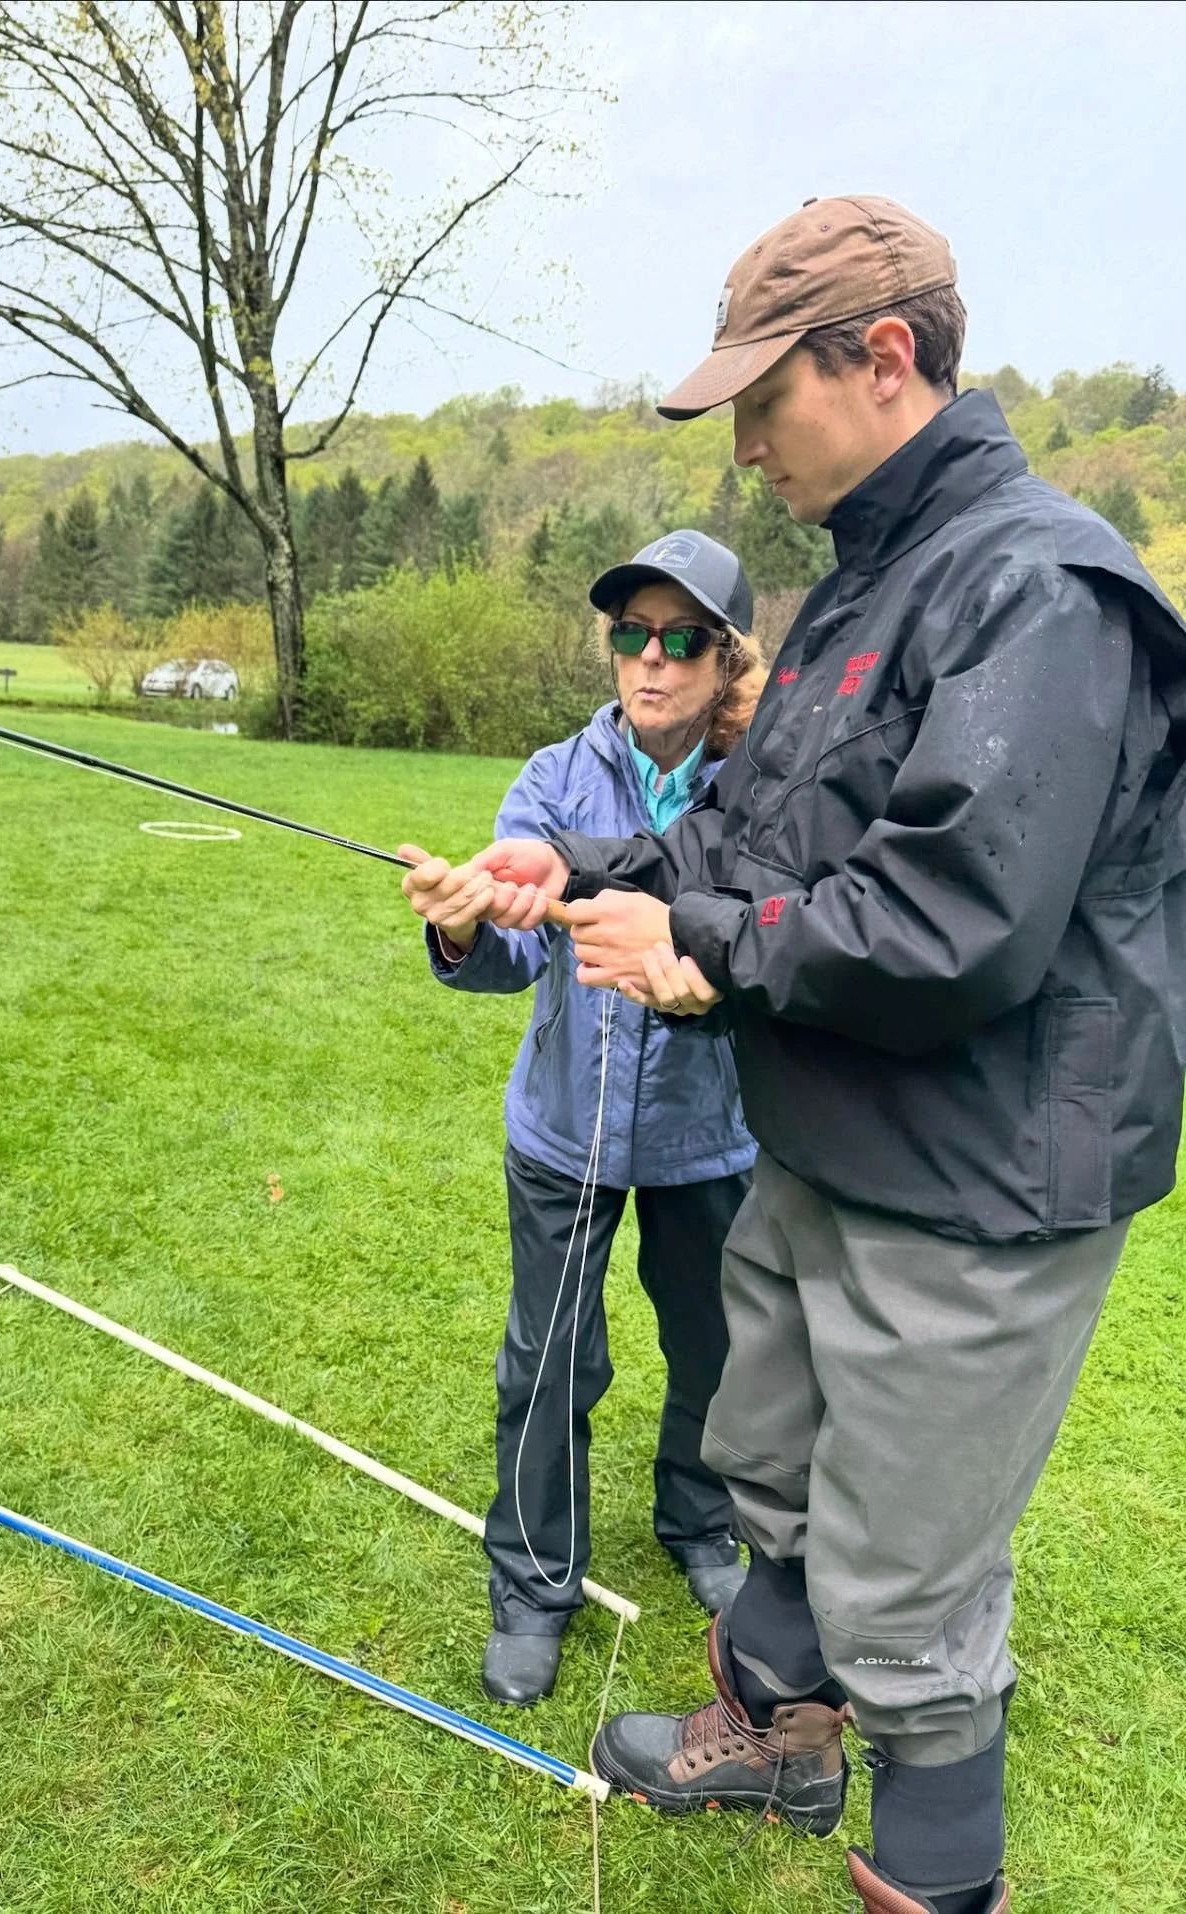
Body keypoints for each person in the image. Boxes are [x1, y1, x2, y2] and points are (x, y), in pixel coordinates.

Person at [429, 197, 1186, 1911]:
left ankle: (936, 1857)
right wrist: (588, 877)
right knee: (769, 1453)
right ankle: (780, 1722)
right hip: (836, 1138)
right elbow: (754, 846)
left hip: (983, 1173)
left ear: (890, 358)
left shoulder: (1036, 586)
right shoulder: (866, 588)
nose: (745, 443)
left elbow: (956, 926)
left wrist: (697, 955)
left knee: (905, 1576)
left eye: (767, 399)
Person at [400, 531, 764, 1707]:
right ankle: (534, 1579)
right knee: (551, 1358)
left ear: (726, 660)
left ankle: (697, 1522)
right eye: (629, 634)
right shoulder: (554, 778)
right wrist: (463, 922)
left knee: (714, 1349)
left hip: (715, 1138)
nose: (650, 660)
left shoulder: (762, 788)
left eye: (680, 639)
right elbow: (505, 955)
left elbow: (762, 949)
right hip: (564, 1132)